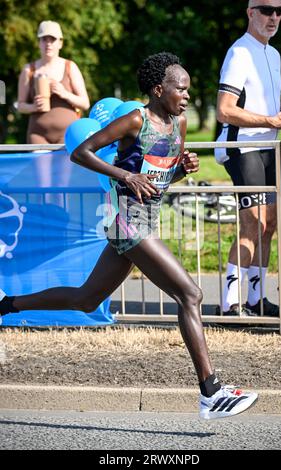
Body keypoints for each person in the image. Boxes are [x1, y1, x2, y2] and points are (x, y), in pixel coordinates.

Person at [0, 52, 257, 419]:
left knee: (86, 300)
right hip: (126, 221)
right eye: (180, 89)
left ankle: (7, 304)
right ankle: (211, 393)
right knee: (190, 293)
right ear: (157, 89)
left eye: (188, 89)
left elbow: (158, 181)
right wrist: (125, 176)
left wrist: (183, 169)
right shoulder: (135, 119)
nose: (186, 95)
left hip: (146, 219)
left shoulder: (179, 124)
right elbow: (81, 153)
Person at [215, 1, 281, 316]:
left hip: (269, 147)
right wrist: (271, 122)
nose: (274, 17)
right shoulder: (240, 52)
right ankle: (230, 304)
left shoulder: (273, 54)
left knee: (271, 224)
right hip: (244, 148)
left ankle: (256, 299)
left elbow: (265, 105)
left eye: (280, 10)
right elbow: (225, 110)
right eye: (266, 10)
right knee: (252, 223)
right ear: (250, 13)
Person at [17, 20, 90, 205]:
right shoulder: (29, 69)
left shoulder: (69, 67)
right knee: (42, 185)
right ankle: (45, 228)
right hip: (38, 134)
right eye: (44, 39)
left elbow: (85, 102)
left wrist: (63, 93)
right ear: (39, 42)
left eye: (52, 39)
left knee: (61, 186)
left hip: (66, 135)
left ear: (60, 42)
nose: (48, 43)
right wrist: (34, 107)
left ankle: (62, 228)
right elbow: (19, 105)